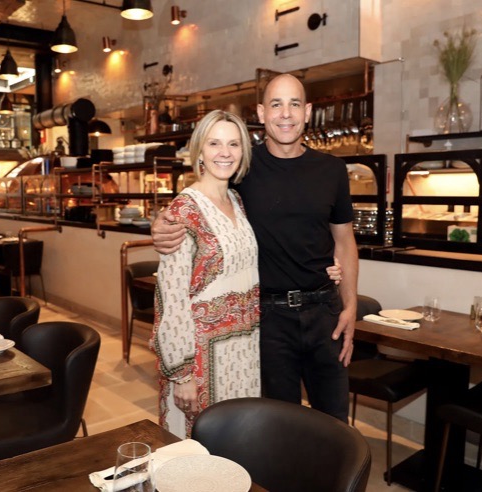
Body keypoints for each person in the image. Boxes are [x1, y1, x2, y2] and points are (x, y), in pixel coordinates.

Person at [152, 74, 358, 422]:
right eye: (276, 104)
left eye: (295, 104)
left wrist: (350, 305)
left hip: (324, 311)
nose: (286, 114)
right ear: (262, 112)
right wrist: (161, 222)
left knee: (335, 420)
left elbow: (345, 241)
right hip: (269, 317)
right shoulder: (242, 168)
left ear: (308, 111)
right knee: (279, 424)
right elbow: (201, 196)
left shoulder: (332, 170)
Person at [150, 109, 260, 439]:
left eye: (233, 144)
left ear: (243, 153)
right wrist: (182, 374)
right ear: (199, 151)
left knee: (238, 448)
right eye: (214, 143)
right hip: (200, 361)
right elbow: (170, 298)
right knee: (198, 456)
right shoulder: (183, 210)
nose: (224, 152)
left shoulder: (236, 200)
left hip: (243, 353)